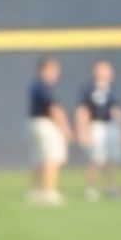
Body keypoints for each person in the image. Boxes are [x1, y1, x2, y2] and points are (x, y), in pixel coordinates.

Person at [74, 61, 121, 201]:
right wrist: (83, 130)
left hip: (111, 126)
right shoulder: (89, 89)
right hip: (95, 125)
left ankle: (112, 186)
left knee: (112, 159)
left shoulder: (113, 89)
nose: (106, 73)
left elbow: (117, 111)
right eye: (102, 70)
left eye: (108, 70)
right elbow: (83, 110)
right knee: (95, 158)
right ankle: (92, 187)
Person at [26, 58, 70, 205]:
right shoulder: (44, 86)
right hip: (46, 124)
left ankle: (35, 190)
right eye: (54, 69)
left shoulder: (35, 85)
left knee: (39, 158)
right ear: (46, 69)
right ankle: (49, 191)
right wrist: (64, 128)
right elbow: (54, 108)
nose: (57, 73)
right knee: (52, 158)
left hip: (34, 123)